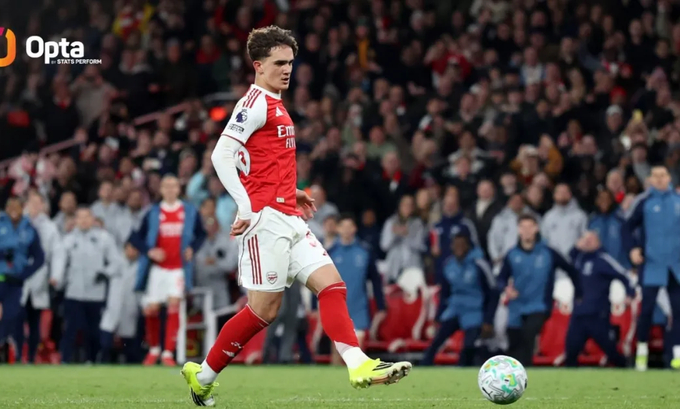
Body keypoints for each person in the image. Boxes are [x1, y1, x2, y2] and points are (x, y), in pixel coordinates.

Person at [182, 26, 411, 407]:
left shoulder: (275, 102)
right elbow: (221, 155)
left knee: (333, 286)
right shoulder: (254, 103)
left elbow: (263, 161)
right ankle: (203, 375)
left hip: (288, 214)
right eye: (278, 63)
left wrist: (293, 192)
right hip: (264, 222)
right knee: (263, 311)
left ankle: (359, 364)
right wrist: (245, 206)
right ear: (258, 65)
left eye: (290, 62)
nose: (287, 69)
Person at [129, 175, 206, 366]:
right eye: (166, 186)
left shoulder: (189, 211)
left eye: (174, 186)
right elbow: (135, 238)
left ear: (179, 189)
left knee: (174, 306)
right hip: (157, 269)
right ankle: (154, 349)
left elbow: (201, 234)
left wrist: (193, 248)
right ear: (161, 189)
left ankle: (168, 353)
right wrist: (150, 251)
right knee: (152, 309)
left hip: (178, 269)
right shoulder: (153, 212)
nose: (170, 189)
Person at [498, 214, 582, 367]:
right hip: (517, 306)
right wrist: (506, 288)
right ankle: (515, 373)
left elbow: (571, 269)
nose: (527, 231)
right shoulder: (512, 254)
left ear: (536, 228)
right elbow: (501, 278)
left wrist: (579, 293)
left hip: (540, 305)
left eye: (530, 227)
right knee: (514, 342)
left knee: (528, 335)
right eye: (523, 227)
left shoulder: (548, 252)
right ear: (518, 230)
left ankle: (525, 371)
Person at [623, 165, 680, 370]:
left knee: (678, 310)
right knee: (646, 310)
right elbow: (627, 226)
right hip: (652, 265)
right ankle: (642, 353)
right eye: (655, 176)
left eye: (663, 175)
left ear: (669, 178)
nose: (659, 179)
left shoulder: (677, 201)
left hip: (675, 265)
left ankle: (677, 354)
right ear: (650, 180)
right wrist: (632, 249)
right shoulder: (643, 202)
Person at [0, 197, 45, 367]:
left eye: (17, 206)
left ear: (22, 208)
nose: (14, 210)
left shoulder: (29, 229)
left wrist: (24, 274)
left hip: (15, 282)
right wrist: (0, 254)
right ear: (6, 208)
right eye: (10, 206)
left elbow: (39, 258)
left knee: (10, 317)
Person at [51, 207, 120, 363]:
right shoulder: (68, 239)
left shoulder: (104, 238)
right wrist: (57, 278)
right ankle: (65, 360)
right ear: (75, 220)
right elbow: (60, 261)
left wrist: (106, 272)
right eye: (80, 217)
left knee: (93, 331)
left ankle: (92, 360)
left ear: (92, 219)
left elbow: (116, 262)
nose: (83, 220)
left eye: (86, 217)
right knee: (70, 328)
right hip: (73, 292)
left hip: (96, 293)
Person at [421, 225, 498, 366]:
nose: (459, 246)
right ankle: (422, 368)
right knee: (436, 341)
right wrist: (438, 317)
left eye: (462, 242)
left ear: (468, 244)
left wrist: (488, 320)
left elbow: (492, 293)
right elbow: (445, 294)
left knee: (468, 346)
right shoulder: (449, 265)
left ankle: (462, 370)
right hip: (454, 308)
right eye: (456, 243)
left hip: (474, 310)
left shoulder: (479, 263)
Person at [564, 231, 635, 367]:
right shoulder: (579, 258)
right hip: (578, 315)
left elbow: (624, 276)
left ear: (598, 241)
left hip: (598, 315)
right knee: (571, 352)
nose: (588, 242)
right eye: (585, 239)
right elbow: (566, 261)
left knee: (611, 351)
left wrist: (629, 293)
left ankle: (626, 367)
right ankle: (570, 379)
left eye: (591, 239)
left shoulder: (603, 259)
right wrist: (576, 247)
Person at [326, 213, 386, 365]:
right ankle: (333, 378)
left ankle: (358, 376)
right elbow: (321, 280)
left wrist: (381, 306)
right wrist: (316, 305)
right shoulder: (330, 252)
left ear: (355, 229)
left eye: (349, 226)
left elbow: (376, 281)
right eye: (343, 226)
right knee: (337, 349)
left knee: (356, 349)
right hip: (337, 307)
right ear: (338, 229)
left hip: (358, 307)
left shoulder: (365, 251)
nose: (346, 230)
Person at [15, 192, 60, 364]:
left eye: (38, 203)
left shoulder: (50, 226)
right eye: (31, 202)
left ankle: (32, 356)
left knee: (35, 321)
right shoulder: (18, 223)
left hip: (40, 277)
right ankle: (18, 355)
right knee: (17, 318)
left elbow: (58, 253)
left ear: (43, 205)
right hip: (18, 276)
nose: (34, 206)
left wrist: (56, 275)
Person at [588, 190, 628, 267]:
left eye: (607, 198)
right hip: (598, 267)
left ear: (612, 201)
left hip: (621, 266)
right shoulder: (592, 221)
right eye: (601, 198)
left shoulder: (621, 219)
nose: (604, 201)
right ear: (596, 201)